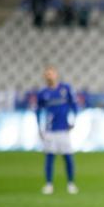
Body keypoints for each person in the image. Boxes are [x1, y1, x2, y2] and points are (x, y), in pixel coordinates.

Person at [36, 66, 79, 195]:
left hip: (64, 129)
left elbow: (74, 106)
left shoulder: (66, 89)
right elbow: (38, 111)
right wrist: (39, 127)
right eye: (47, 74)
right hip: (50, 131)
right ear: (45, 77)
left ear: (56, 74)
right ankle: (49, 184)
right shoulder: (43, 93)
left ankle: (71, 184)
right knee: (49, 157)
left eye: (51, 73)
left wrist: (73, 121)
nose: (49, 76)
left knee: (68, 157)